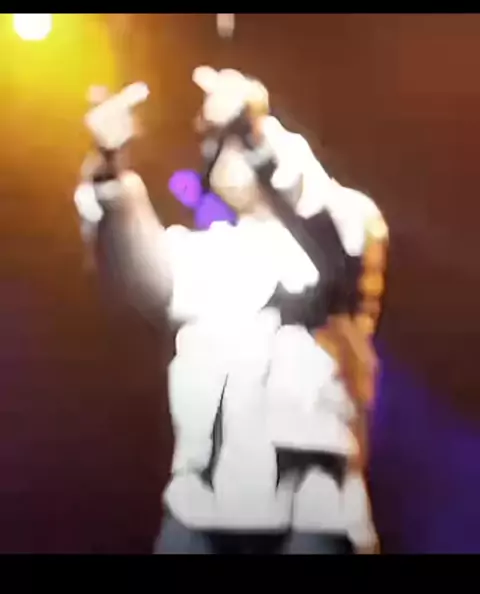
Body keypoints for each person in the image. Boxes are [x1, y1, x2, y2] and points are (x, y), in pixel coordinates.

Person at [74, 67, 388, 554]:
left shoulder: (348, 224)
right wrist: (109, 168)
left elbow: (321, 217)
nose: (221, 148)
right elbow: (133, 269)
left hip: (311, 508)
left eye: (231, 137)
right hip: (202, 508)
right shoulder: (204, 255)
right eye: (216, 139)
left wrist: (256, 130)